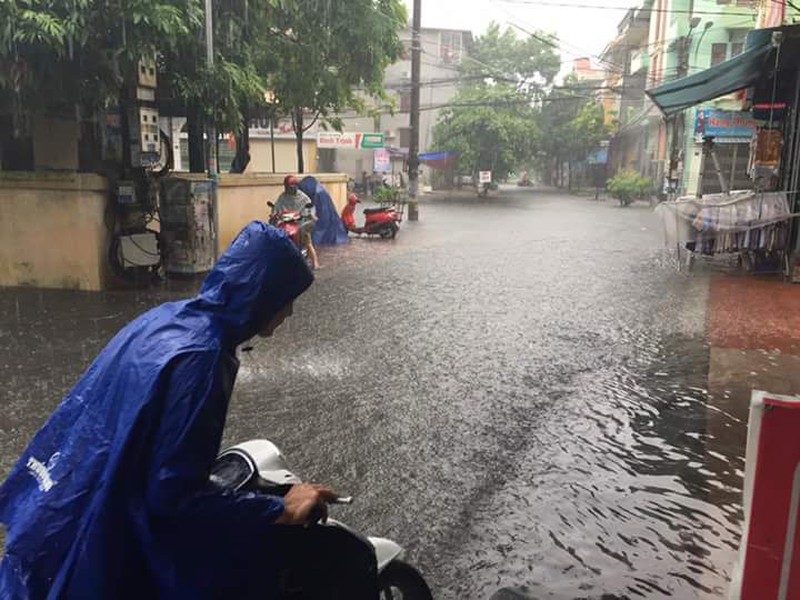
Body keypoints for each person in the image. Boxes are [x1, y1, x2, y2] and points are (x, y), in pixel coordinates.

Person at [0, 222, 378, 599]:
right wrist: (279, 508)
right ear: (264, 294)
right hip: (93, 552)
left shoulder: (165, 319)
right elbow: (173, 498)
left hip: (51, 523)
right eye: (286, 298)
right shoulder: (203, 360)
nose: (289, 311)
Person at [272, 174, 321, 270]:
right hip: (286, 222)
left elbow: (309, 208)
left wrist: (306, 214)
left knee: (307, 238)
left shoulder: (303, 197)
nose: (288, 189)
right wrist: (274, 214)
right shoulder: (282, 196)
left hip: (300, 222)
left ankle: (315, 262)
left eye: (290, 187)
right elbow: (277, 206)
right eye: (286, 187)